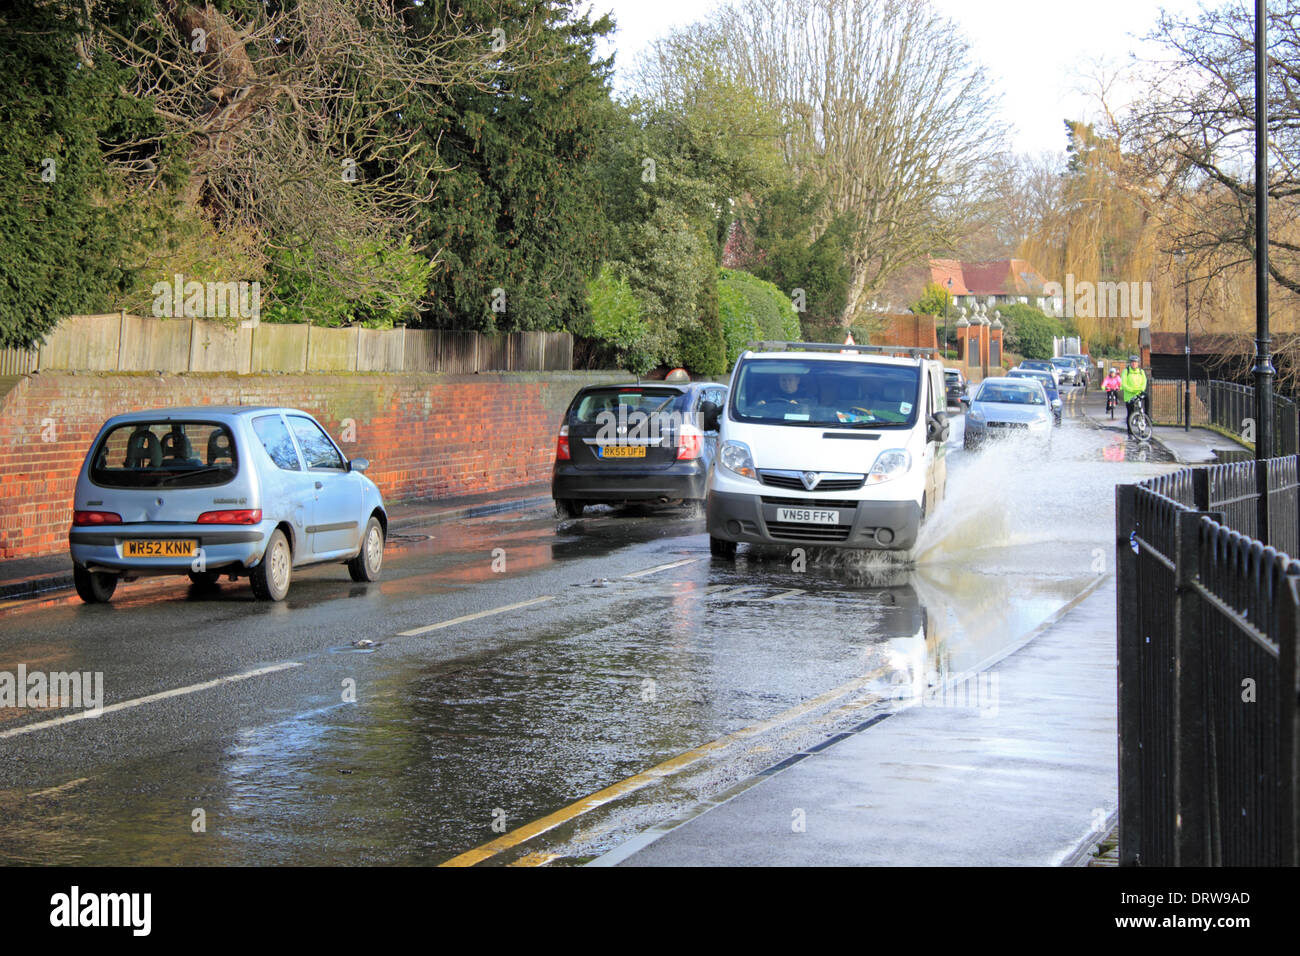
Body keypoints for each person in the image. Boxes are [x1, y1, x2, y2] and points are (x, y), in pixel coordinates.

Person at [1121, 355, 1148, 438]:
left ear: (1138, 363)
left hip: (1139, 393)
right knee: (1130, 412)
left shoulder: (1141, 371)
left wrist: (1142, 389)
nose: (1134, 364)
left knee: (1147, 398)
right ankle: (1130, 430)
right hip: (1129, 395)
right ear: (1130, 363)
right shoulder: (1126, 371)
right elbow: (1124, 384)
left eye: (1135, 362)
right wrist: (1132, 390)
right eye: (1132, 362)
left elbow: (1144, 381)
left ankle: (1147, 416)